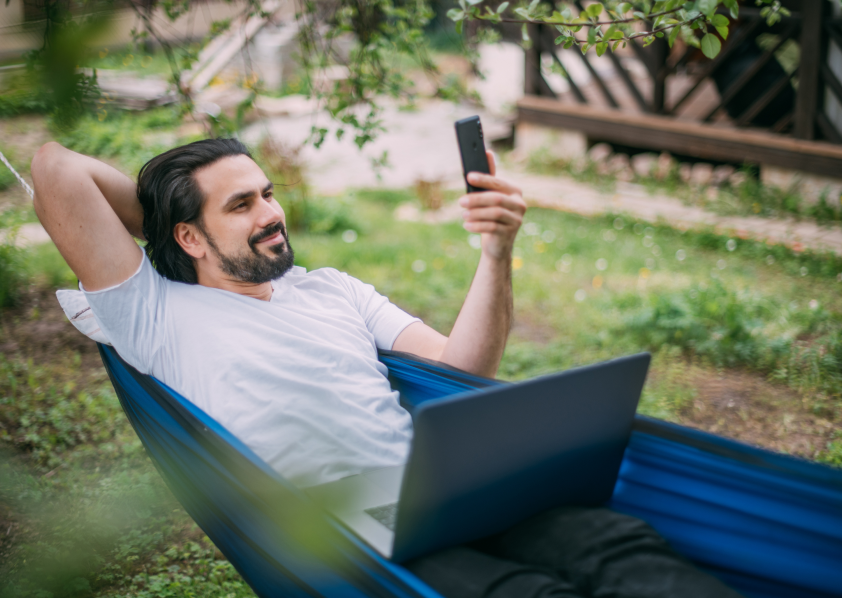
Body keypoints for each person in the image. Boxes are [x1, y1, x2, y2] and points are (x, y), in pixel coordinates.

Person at [31, 138, 742, 598]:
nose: (271, 213)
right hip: (352, 533)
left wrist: (495, 255)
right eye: (242, 204)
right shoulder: (156, 315)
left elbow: (464, 368)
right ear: (187, 235)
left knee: (616, 545)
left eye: (269, 193)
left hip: (456, 485)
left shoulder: (331, 288)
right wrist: (164, 214)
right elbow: (56, 169)